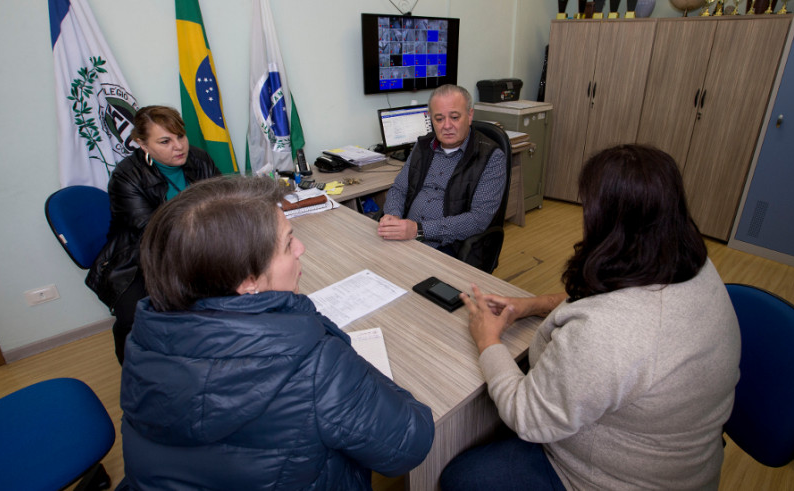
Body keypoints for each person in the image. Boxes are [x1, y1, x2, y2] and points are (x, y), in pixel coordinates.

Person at [440, 144, 741, 490]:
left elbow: (527, 417)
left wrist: (487, 340)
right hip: (679, 457)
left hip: (610, 479)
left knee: (458, 478)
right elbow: (608, 301)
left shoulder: (609, 333)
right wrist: (530, 305)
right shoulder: (687, 262)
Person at [117, 176, 435, 490]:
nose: (301, 248)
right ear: (247, 281)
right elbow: (411, 441)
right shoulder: (315, 367)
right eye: (287, 243)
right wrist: (349, 367)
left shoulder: (142, 341)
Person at [86, 105, 220, 364]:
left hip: (199, 248)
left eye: (180, 136)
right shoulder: (126, 176)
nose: (178, 146)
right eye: (165, 141)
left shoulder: (200, 159)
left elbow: (221, 204)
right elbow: (154, 232)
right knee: (135, 320)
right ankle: (137, 376)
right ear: (142, 145)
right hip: (139, 259)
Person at [378, 84, 506, 266]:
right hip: (407, 236)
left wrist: (419, 230)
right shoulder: (423, 146)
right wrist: (393, 216)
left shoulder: (491, 157)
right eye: (439, 119)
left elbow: (478, 219)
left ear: (469, 116)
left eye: (454, 117)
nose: (447, 126)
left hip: (450, 246)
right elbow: (399, 189)